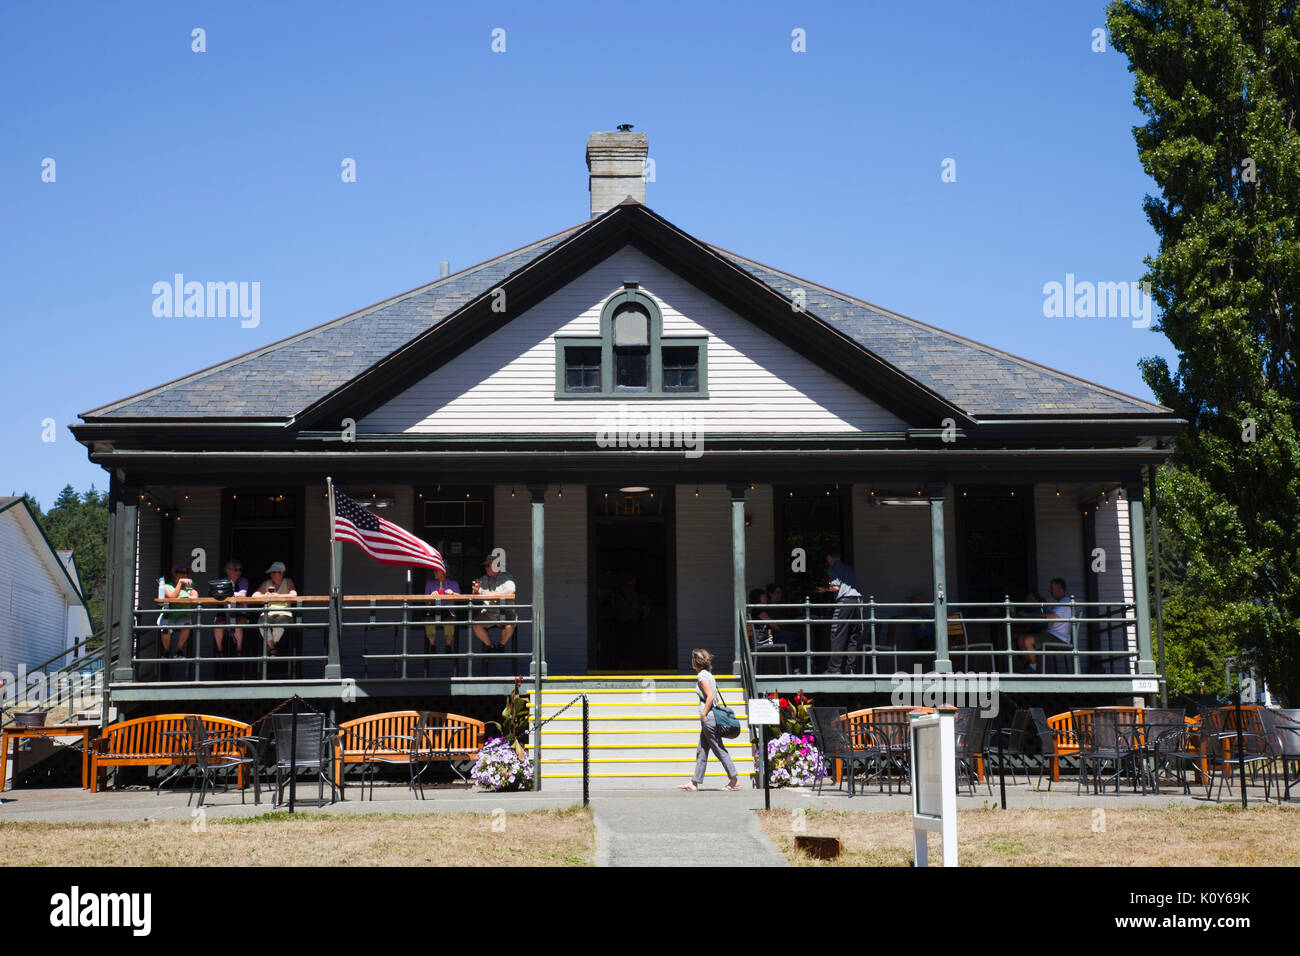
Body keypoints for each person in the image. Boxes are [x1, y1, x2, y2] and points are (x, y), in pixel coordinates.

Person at [677, 648, 741, 792]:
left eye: (692, 659)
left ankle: (734, 779)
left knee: (718, 748)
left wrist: (704, 714)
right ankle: (694, 782)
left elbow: (710, 696)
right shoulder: (708, 675)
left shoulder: (702, 676)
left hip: (709, 718)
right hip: (711, 717)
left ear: (695, 661)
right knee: (702, 750)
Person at [816, 548, 863, 675]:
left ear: (831, 558)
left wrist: (824, 589)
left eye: (827, 558)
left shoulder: (832, 568)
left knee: (837, 635)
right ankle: (850, 669)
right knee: (853, 636)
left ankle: (834, 670)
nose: (827, 560)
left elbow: (836, 587)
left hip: (845, 603)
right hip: (858, 602)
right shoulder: (848, 569)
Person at [471, 555, 516, 651]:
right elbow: (478, 594)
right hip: (489, 612)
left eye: (489, 566)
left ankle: (501, 646)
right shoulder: (483, 579)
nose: (486, 568)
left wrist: (491, 594)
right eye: (485, 566)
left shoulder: (507, 577)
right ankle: (490, 646)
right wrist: (475, 591)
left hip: (506, 611)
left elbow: (511, 591)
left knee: (509, 624)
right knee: (475, 624)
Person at [253, 561, 297, 656]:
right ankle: (273, 648)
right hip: (268, 613)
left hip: (284, 613)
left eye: (274, 572)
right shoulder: (267, 583)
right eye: (271, 572)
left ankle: (270, 647)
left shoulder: (288, 581)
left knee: (279, 625)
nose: (271, 575)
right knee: (261, 623)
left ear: (281, 573)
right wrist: (264, 595)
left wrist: (279, 596)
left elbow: (294, 595)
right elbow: (254, 595)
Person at [159, 563, 197, 658]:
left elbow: (195, 596)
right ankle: (166, 651)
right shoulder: (166, 586)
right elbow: (172, 597)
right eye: (182, 572)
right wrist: (180, 584)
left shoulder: (188, 586)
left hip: (183, 615)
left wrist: (188, 592)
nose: (185, 575)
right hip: (169, 615)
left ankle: (178, 651)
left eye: (186, 572)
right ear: (175, 574)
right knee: (165, 626)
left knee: (187, 625)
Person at [212, 559, 249, 656]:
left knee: (238, 625)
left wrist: (226, 594)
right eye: (235, 570)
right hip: (223, 613)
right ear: (227, 570)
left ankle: (239, 649)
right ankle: (219, 650)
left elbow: (242, 595)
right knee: (218, 625)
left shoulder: (243, 581)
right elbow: (216, 594)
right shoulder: (221, 581)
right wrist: (230, 595)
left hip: (239, 612)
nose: (238, 572)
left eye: (240, 570)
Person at [423, 566, 461, 652]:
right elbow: (426, 603)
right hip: (433, 611)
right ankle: (432, 645)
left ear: (444, 572)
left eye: (436, 570)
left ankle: (448, 645)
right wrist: (430, 597)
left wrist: (452, 594)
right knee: (428, 620)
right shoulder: (430, 583)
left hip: (448, 611)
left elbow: (460, 598)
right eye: (434, 570)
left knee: (450, 621)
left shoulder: (453, 583)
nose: (434, 572)